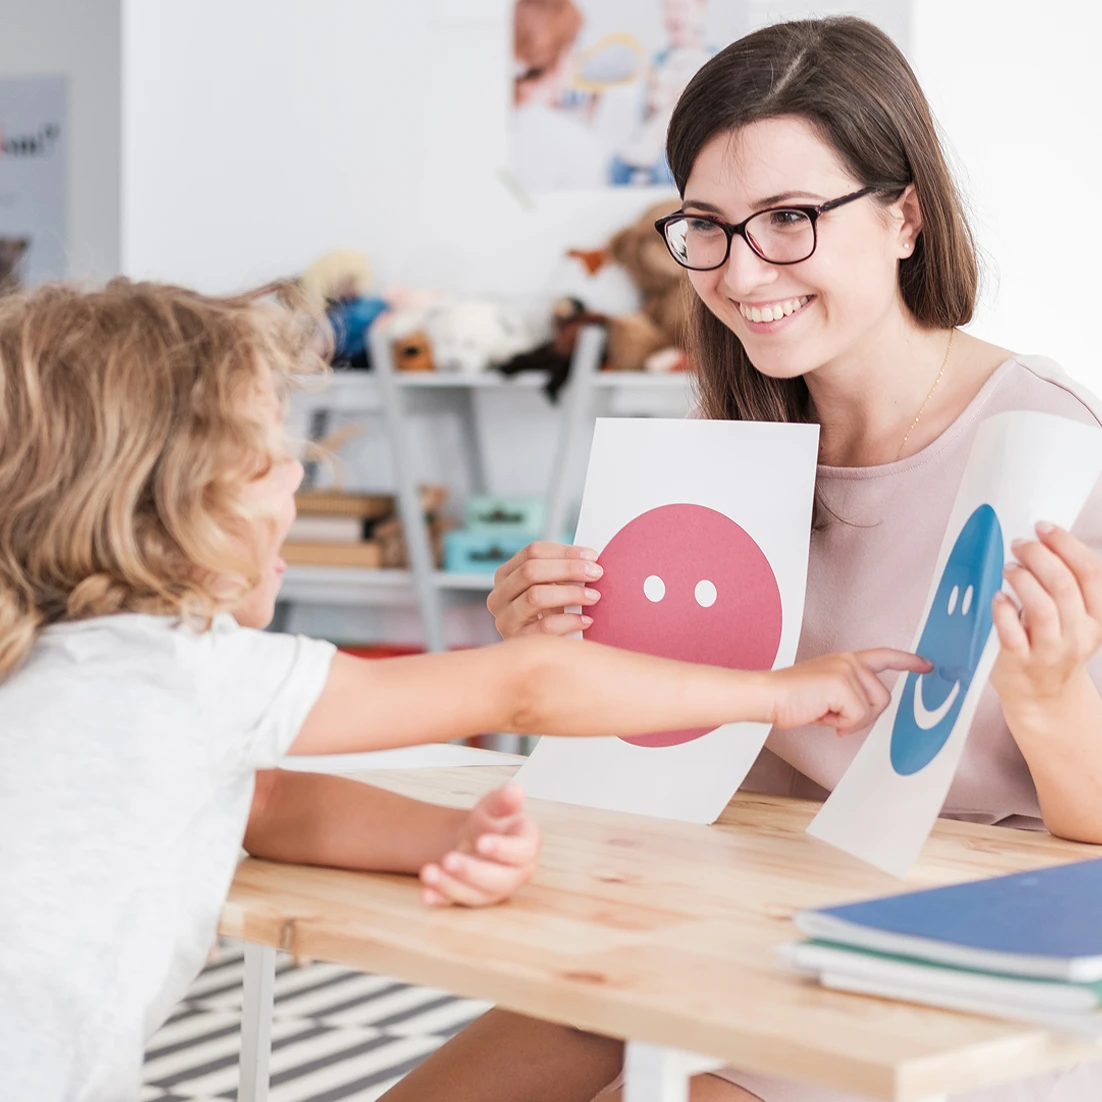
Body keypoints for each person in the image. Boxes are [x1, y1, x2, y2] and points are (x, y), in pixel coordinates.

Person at [379, 15, 1102, 1102]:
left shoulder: (1052, 449)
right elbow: (678, 748)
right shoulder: (729, 439)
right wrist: (557, 649)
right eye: (706, 226)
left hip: (948, 959)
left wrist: (1050, 698)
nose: (739, 268)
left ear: (904, 215)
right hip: (735, 909)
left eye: (791, 219)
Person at [0, 278, 923, 1102]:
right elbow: (530, 684)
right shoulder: (177, 673)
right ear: (162, 506)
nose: (297, 475)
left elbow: (263, 799)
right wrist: (774, 694)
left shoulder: (53, 664)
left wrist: (442, 835)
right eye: (260, 458)